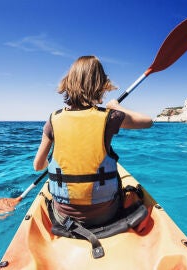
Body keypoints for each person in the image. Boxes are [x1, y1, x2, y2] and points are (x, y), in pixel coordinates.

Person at [33, 56, 153, 227]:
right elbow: (148, 121)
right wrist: (116, 107)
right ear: (101, 84)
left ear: (69, 82)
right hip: (105, 215)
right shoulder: (111, 117)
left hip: (63, 217)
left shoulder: (53, 120)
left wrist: (53, 165)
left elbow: (38, 166)